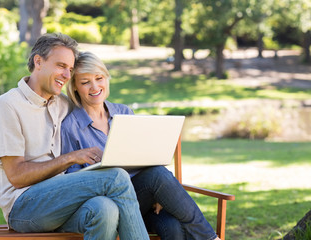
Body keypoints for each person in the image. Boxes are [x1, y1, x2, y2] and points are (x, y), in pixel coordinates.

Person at [0, 33, 150, 240]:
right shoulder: (7, 106)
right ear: (38, 61)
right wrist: (71, 157)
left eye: (70, 69)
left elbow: (96, 107)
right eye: (61, 66)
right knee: (115, 176)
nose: (67, 75)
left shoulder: (63, 103)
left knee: (105, 209)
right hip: (24, 207)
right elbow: (17, 177)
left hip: (63, 202)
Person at [61, 51, 221, 240]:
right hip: (109, 204)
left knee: (173, 227)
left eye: (99, 78)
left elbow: (145, 156)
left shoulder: (124, 112)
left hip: (143, 201)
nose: (95, 86)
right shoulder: (70, 126)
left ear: (107, 79)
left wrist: (161, 194)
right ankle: (210, 238)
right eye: (85, 82)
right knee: (157, 176)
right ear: (75, 87)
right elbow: (73, 181)